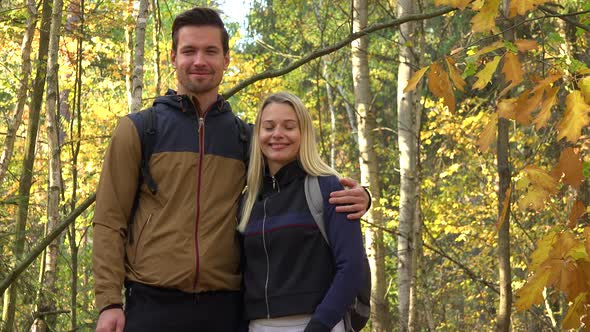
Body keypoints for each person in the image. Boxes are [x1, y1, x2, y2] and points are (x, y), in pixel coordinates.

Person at [93, 7, 370, 332]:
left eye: (211, 51)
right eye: (189, 51)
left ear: (226, 58)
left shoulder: (246, 138)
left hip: (225, 309)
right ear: (173, 57)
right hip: (151, 304)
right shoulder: (140, 130)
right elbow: (110, 220)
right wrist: (110, 302)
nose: (200, 60)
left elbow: (297, 180)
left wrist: (361, 195)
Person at [237, 92, 365, 332]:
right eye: (268, 127)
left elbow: (351, 267)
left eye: (289, 126)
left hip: (318, 324)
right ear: (258, 135)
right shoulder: (248, 200)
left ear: (303, 133)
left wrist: (320, 325)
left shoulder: (327, 188)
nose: (277, 134)